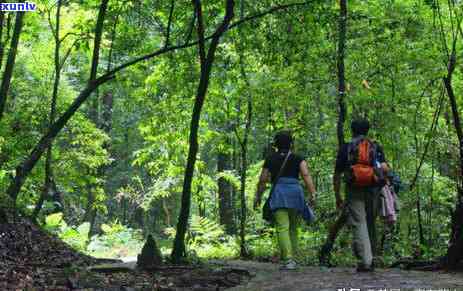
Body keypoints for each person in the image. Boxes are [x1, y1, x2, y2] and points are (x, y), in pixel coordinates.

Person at [254, 130, 317, 270]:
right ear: (291, 144)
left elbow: (263, 179)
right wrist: (313, 193)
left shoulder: (270, 158)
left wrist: (258, 196)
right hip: (295, 193)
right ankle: (294, 258)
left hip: (279, 193)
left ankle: (288, 260)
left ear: (275, 144)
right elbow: (305, 175)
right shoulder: (298, 157)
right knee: (293, 227)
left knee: (282, 227)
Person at [333, 118, 389, 272]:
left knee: (359, 222)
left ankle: (366, 260)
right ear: (367, 130)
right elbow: (384, 168)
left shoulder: (346, 147)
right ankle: (373, 258)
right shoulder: (375, 146)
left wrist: (337, 195)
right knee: (370, 221)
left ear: (352, 130)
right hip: (373, 188)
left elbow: (337, 173)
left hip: (353, 188)